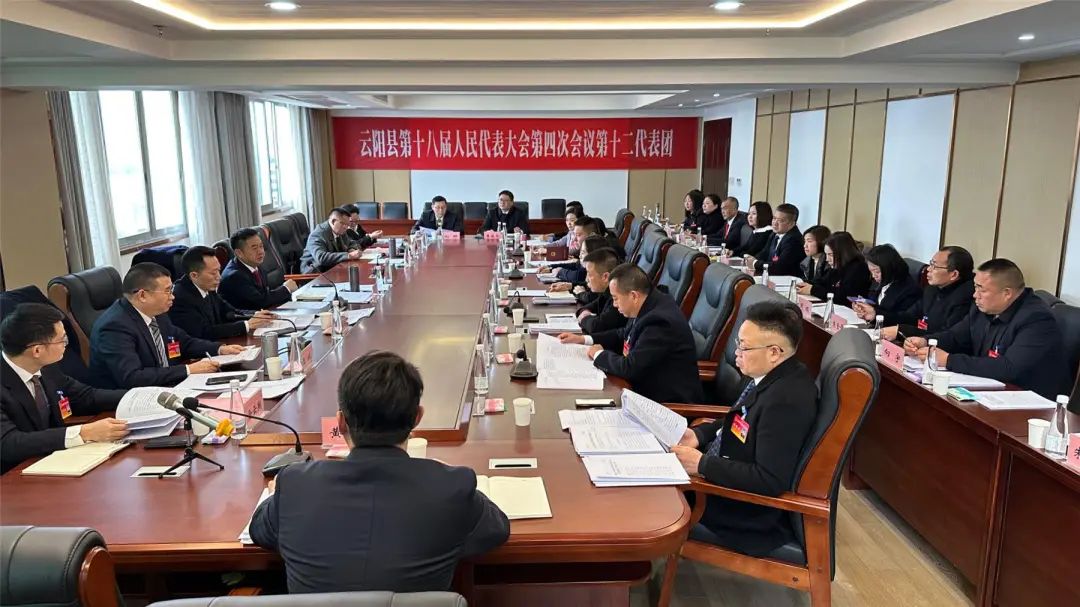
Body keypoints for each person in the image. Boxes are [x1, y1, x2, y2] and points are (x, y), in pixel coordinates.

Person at [248, 351, 509, 593]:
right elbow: (496, 529)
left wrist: (278, 496)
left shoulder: (295, 486)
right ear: (417, 418)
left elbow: (260, 531)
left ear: (341, 422)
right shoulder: (451, 487)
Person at [671, 301, 817, 557]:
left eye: (744, 347)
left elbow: (769, 479)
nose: (736, 353)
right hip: (726, 469)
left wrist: (702, 464)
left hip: (744, 513)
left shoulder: (785, 402)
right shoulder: (774, 376)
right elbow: (740, 418)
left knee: (649, 495)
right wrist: (699, 434)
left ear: (774, 352)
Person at [905, 259, 1069, 399]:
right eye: (975, 287)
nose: (975, 295)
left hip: (1029, 401)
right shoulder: (983, 308)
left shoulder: (1036, 320)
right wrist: (926, 341)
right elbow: (956, 336)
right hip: (991, 389)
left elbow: (1009, 368)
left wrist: (948, 360)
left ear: (1007, 293)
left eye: (981, 289)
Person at [1, 304, 129, 474]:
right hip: (12, 475)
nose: (66, 345)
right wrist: (84, 433)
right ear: (37, 350)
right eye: (62, 340)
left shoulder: (46, 367)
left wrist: (139, 396)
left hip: (51, 461)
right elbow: (8, 443)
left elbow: (85, 397)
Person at [558, 264, 703, 404]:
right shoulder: (649, 304)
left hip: (665, 405)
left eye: (615, 298)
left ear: (633, 296)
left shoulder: (660, 322)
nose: (614, 304)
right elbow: (623, 334)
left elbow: (630, 368)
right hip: (641, 391)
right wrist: (584, 339)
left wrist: (598, 354)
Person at [89, 263, 244, 389]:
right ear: (142, 295)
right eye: (167, 291)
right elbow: (132, 377)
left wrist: (219, 349)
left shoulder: (157, 313)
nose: (173, 297)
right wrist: (188, 369)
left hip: (169, 386)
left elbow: (184, 342)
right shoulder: (114, 327)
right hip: (131, 402)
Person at [870, 246, 975, 341]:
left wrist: (901, 331)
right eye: (930, 263)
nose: (928, 269)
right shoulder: (932, 289)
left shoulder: (966, 298)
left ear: (954, 274)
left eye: (934, 266)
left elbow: (946, 337)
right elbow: (908, 317)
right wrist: (875, 313)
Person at [169, 246, 277, 340]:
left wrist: (256, 315)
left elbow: (230, 312)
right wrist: (246, 325)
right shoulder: (180, 298)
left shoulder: (206, 285)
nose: (219, 277)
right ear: (194, 275)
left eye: (218, 271)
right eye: (213, 273)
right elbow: (203, 332)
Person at [219, 228, 297, 310]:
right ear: (239, 253)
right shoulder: (234, 276)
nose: (260, 251)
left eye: (261, 246)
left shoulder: (254, 264)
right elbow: (261, 301)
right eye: (254, 248)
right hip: (246, 316)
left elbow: (265, 295)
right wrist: (286, 288)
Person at [851, 244, 921, 323]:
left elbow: (902, 319)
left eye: (877, 271)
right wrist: (863, 307)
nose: (873, 276)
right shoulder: (882, 280)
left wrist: (874, 314)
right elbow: (875, 303)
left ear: (889, 268)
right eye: (871, 271)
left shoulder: (910, 290)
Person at [796, 231, 871, 303]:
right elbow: (822, 282)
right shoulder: (837, 267)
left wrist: (813, 290)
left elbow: (844, 296)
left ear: (843, 253)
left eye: (830, 255)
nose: (827, 259)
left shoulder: (858, 268)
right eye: (826, 254)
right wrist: (804, 284)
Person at [575, 248, 626, 335]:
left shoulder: (618, 298)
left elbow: (597, 327)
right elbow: (585, 308)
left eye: (589, 274)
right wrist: (585, 313)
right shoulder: (605, 292)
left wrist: (584, 318)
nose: (586, 279)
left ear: (605, 277)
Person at [746, 203, 804, 277]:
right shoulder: (774, 233)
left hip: (786, 279)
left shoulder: (794, 240)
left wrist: (755, 263)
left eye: (780, 220)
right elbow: (764, 253)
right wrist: (752, 259)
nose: (775, 223)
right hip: (771, 275)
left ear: (792, 224)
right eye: (774, 218)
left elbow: (779, 267)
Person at [301, 208, 366, 274]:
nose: (346, 227)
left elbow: (352, 242)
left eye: (347, 224)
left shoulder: (340, 230)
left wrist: (352, 249)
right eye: (343, 224)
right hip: (316, 273)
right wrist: (348, 255)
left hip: (334, 268)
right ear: (333, 221)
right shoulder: (318, 234)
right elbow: (321, 257)